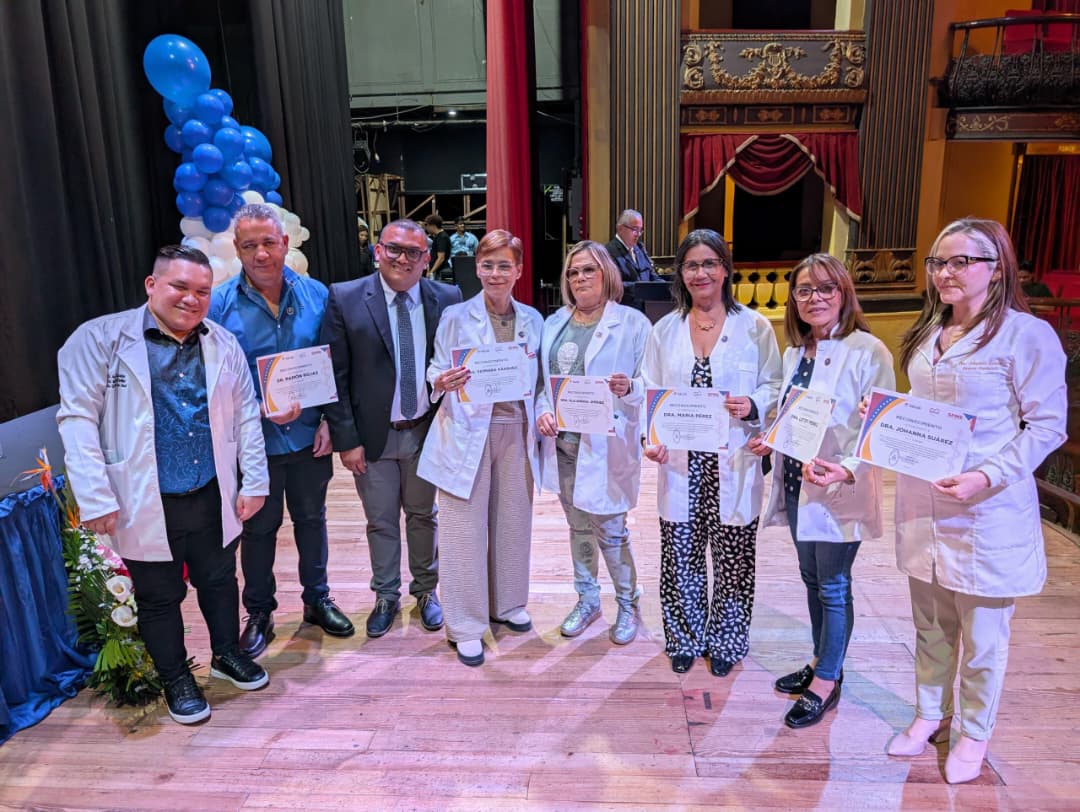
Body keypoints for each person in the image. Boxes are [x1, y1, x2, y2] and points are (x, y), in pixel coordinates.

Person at [57, 245, 271, 725]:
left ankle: (225, 654)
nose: (191, 300)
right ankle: (176, 676)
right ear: (152, 286)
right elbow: (77, 421)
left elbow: (247, 417)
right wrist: (94, 496)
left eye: (201, 291)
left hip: (209, 490)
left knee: (219, 581)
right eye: (179, 287)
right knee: (158, 597)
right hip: (142, 498)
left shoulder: (222, 342)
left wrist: (253, 480)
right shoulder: (97, 340)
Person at [885, 218, 1066, 784]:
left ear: (997, 266)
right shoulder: (927, 332)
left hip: (986, 511)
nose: (945, 272)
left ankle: (975, 731)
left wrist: (986, 476)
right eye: (938, 262)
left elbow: (1046, 426)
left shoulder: (1026, 336)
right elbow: (917, 412)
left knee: (983, 637)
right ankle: (928, 714)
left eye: (961, 261)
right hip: (924, 504)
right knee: (931, 625)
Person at [749, 253, 895, 729]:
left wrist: (846, 469)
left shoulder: (869, 351)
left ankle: (828, 680)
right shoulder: (794, 352)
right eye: (805, 290)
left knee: (833, 586)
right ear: (793, 298)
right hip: (796, 485)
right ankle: (820, 660)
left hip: (838, 489)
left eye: (826, 288)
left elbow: (882, 431)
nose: (816, 298)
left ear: (844, 293)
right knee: (812, 580)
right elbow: (791, 418)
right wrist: (767, 439)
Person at [209, 203, 354, 660]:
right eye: (249, 245)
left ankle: (317, 600)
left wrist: (331, 420)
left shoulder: (318, 295)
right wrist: (258, 410)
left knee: (313, 520)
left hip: (311, 438)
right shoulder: (218, 305)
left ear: (285, 244)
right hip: (253, 445)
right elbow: (215, 381)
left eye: (268, 243)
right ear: (236, 250)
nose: (260, 253)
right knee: (259, 530)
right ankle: (259, 613)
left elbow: (336, 363)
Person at [642, 228, 781, 676]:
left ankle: (727, 640)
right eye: (691, 265)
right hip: (682, 466)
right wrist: (653, 440)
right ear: (680, 274)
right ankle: (683, 636)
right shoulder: (665, 330)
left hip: (734, 463)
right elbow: (649, 390)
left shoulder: (755, 327)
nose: (700, 273)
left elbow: (774, 383)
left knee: (734, 555)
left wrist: (754, 403)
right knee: (679, 553)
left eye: (709, 263)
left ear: (724, 269)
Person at [320, 219, 462, 639]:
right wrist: (347, 440)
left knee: (424, 515)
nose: (403, 258)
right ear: (377, 251)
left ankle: (426, 591)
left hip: (426, 431)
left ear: (427, 260)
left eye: (413, 252)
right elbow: (335, 374)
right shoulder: (345, 298)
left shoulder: (448, 298)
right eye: (394, 249)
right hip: (373, 435)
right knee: (380, 520)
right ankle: (386, 595)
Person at [418, 230, 544, 667]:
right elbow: (435, 368)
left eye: (504, 265)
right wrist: (441, 380)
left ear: (519, 271)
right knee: (463, 529)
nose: (495, 273)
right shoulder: (455, 316)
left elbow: (540, 383)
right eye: (488, 264)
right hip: (467, 429)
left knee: (513, 521)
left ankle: (507, 605)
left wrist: (544, 412)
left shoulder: (533, 319)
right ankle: (467, 624)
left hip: (515, 429)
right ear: (476, 268)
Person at [535, 241, 651, 644]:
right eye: (572, 272)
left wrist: (630, 387)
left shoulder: (633, 324)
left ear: (606, 274)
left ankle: (627, 603)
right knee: (578, 527)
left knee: (612, 531)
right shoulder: (554, 324)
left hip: (605, 447)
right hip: (565, 447)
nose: (579, 278)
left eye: (588, 270)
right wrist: (542, 411)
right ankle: (587, 599)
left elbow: (650, 384)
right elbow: (541, 385)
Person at [606, 209, 661, 283]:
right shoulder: (609, 252)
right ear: (620, 229)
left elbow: (652, 275)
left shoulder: (640, 248)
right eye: (635, 229)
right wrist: (641, 288)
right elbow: (614, 285)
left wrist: (664, 286)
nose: (638, 234)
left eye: (640, 230)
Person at [424, 214, 453, 281]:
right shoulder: (437, 237)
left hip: (441, 271)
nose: (427, 228)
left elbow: (441, 258)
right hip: (437, 271)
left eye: (427, 225)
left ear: (433, 225)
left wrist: (431, 272)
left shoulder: (442, 237)